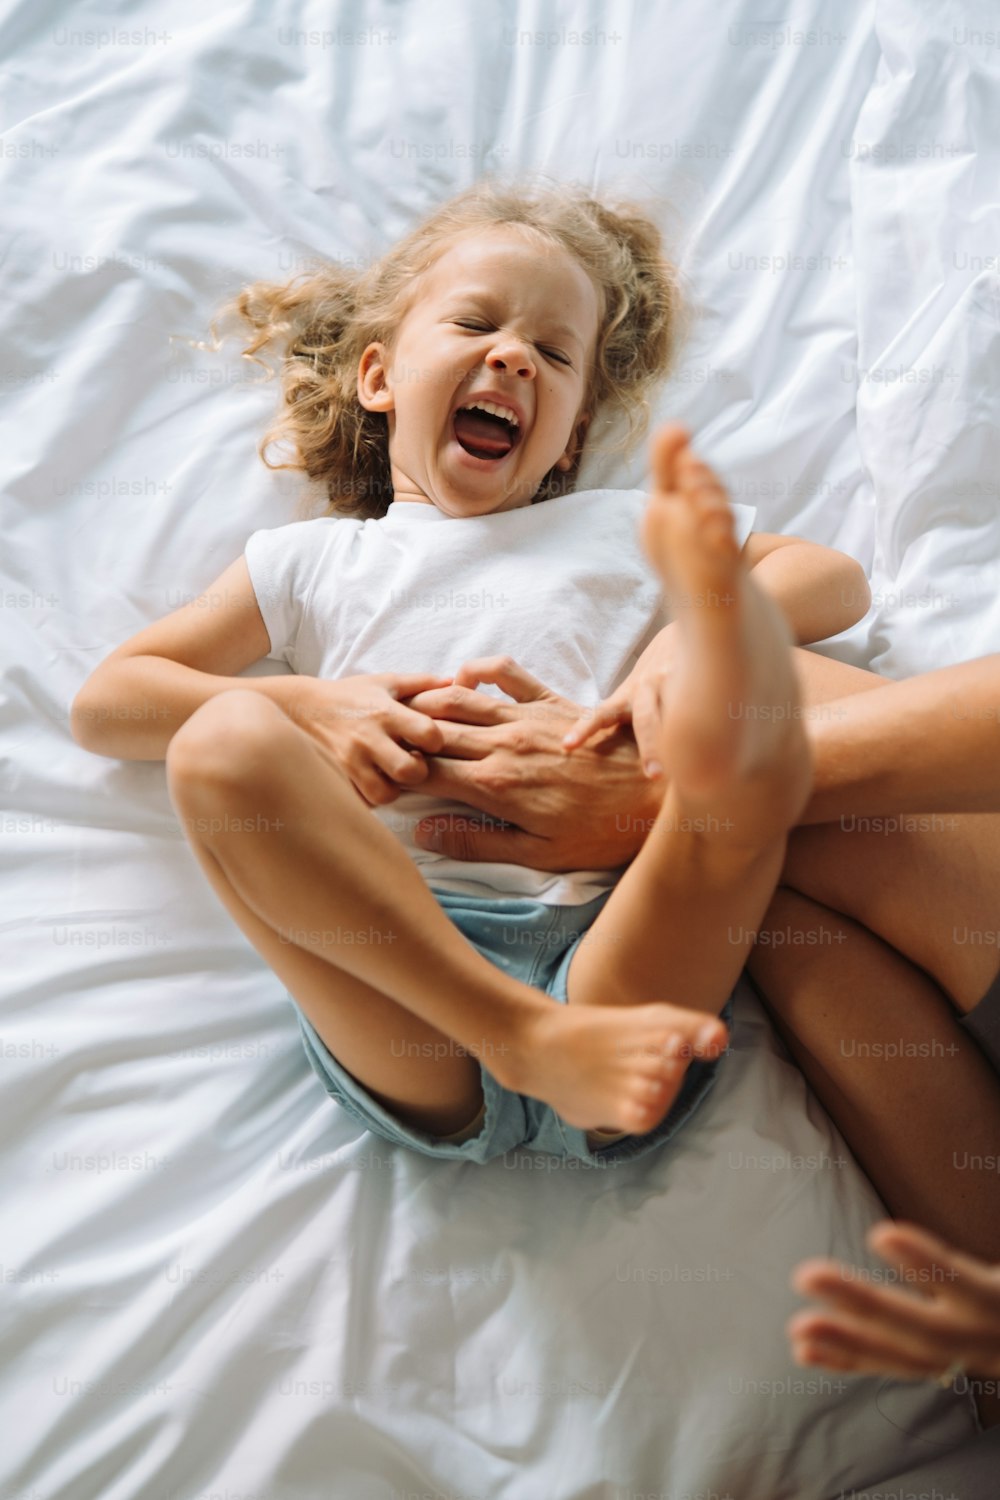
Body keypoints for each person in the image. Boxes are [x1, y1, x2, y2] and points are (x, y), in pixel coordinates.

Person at [69, 179, 870, 1171]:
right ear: (379, 377)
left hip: (611, 954)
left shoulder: (621, 531)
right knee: (222, 744)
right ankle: (520, 1037)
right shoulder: (311, 560)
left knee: (746, 734)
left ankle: (551, 1036)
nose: (511, 356)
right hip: (413, 985)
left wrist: (691, 637)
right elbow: (111, 702)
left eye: (553, 352)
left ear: (572, 435)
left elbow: (831, 580)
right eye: (476, 323)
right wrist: (304, 705)